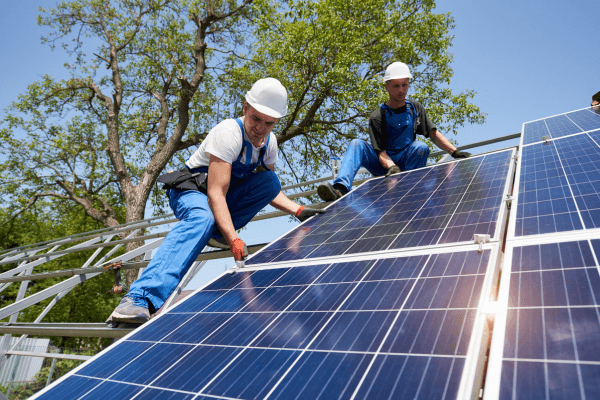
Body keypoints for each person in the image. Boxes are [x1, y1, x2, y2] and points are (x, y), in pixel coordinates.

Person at [110, 78, 325, 324]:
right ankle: (138, 299)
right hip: (193, 192)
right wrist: (234, 238)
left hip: (222, 202)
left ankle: (217, 231)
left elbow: (268, 191)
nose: (260, 128)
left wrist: (298, 210)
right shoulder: (228, 133)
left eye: (269, 123)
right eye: (256, 119)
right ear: (245, 108)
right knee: (201, 218)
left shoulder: (269, 144)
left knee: (271, 181)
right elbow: (215, 193)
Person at [317, 62, 471, 202]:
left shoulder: (414, 108)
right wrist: (391, 167)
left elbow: (432, 133)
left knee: (421, 147)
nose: (401, 90)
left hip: (406, 161)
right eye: (396, 86)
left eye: (404, 85)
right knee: (356, 144)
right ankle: (340, 190)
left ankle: (409, 191)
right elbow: (381, 153)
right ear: (387, 87)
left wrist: (455, 152)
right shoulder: (378, 116)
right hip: (384, 164)